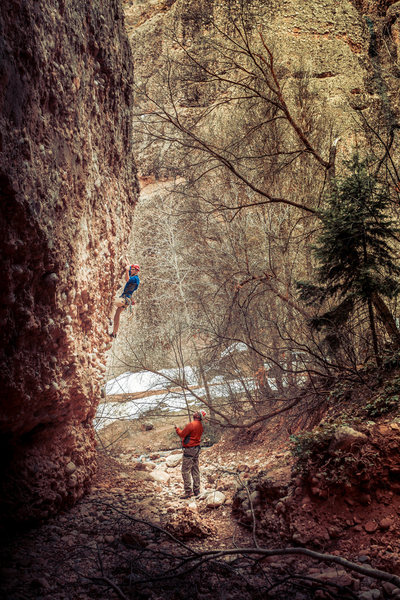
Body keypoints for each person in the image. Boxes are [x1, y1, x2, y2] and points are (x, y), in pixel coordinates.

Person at [175, 410, 206, 499]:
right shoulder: (200, 425)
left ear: (198, 416)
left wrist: (177, 429)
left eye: (196, 412)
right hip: (196, 449)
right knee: (195, 469)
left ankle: (188, 492)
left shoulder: (192, 424)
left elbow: (182, 434)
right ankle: (197, 490)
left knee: (185, 470)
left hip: (189, 450)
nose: (194, 412)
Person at [109, 264, 140, 338]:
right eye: (131, 269)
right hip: (127, 300)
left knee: (114, 302)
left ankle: (110, 318)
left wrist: (126, 270)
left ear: (136, 271)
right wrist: (128, 266)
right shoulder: (134, 277)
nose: (131, 270)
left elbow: (127, 279)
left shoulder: (135, 279)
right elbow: (129, 272)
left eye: (132, 269)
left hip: (125, 299)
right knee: (117, 315)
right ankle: (114, 333)